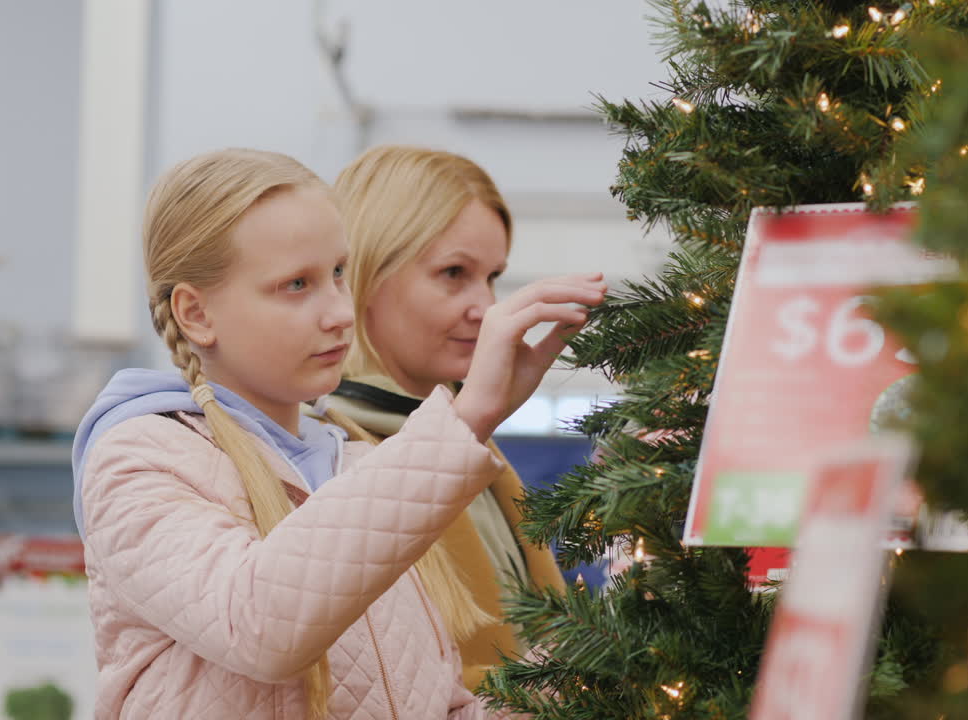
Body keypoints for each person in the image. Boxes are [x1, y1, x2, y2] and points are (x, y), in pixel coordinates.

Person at [70, 148, 606, 719]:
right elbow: (259, 625)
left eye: (338, 274)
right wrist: (467, 418)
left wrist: (617, 637)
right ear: (196, 314)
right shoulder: (138, 459)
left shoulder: (353, 460)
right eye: (296, 284)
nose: (339, 313)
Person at [326, 146, 570, 689]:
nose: (485, 307)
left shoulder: (461, 435)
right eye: (454, 273)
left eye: (493, 277)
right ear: (367, 273)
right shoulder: (323, 452)